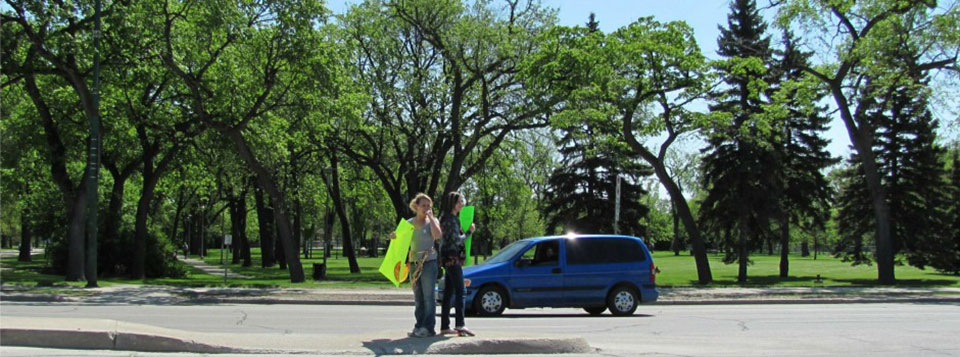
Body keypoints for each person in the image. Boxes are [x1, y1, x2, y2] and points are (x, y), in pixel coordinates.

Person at [390, 193, 442, 338]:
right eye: (423, 205)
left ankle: (429, 328)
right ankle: (419, 326)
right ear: (416, 206)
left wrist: (431, 218)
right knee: (418, 297)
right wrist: (394, 236)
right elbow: (398, 239)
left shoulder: (433, 221)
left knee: (428, 296)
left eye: (428, 205)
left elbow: (437, 235)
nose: (426, 208)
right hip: (414, 263)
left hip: (429, 261)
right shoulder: (409, 223)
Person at [438, 192, 476, 336]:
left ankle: (445, 326)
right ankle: (460, 324)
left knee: (448, 292)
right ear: (452, 203)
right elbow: (455, 240)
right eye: (459, 201)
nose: (462, 204)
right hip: (451, 258)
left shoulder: (449, 218)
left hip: (447, 257)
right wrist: (469, 233)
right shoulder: (450, 220)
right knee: (461, 291)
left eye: (462, 201)